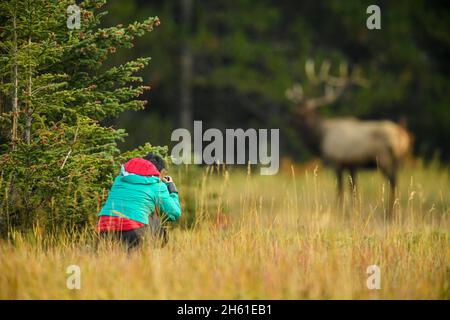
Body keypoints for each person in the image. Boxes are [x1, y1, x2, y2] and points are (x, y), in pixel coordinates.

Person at [97, 153, 181, 249]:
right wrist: (172, 189)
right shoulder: (157, 185)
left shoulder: (119, 179)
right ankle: (144, 260)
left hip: (104, 228)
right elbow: (174, 213)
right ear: (159, 172)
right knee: (159, 229)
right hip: (133, 230)